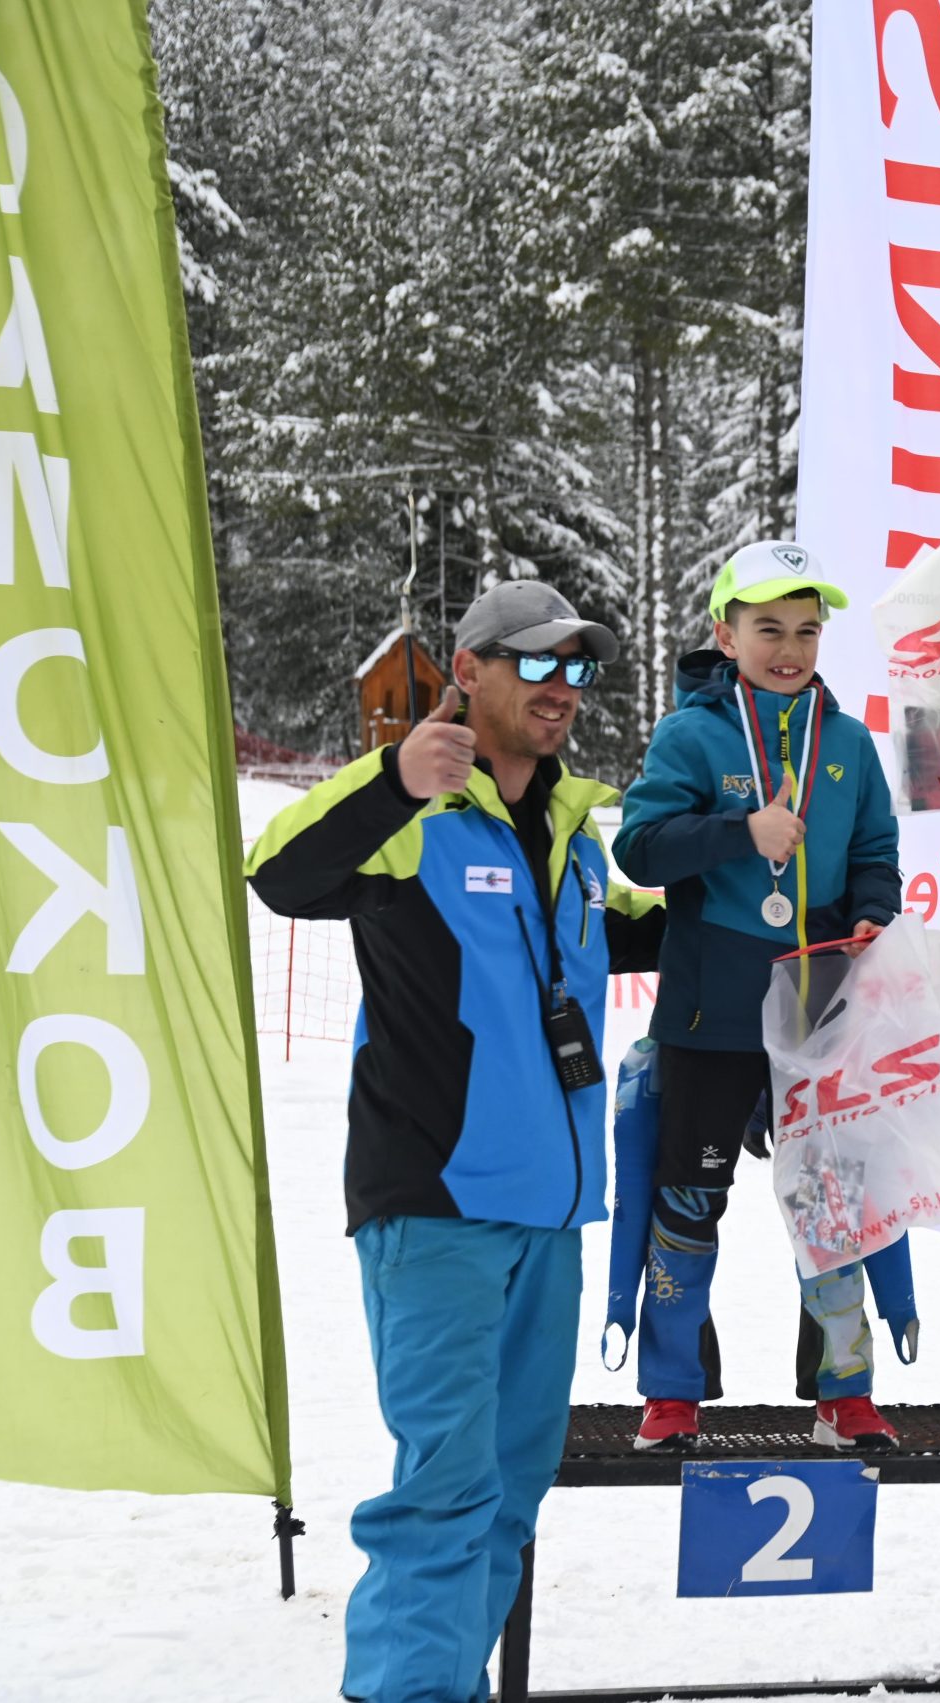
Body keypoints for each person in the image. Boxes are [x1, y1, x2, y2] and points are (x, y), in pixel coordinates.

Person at [246, 582, 666, 1703]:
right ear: (468, 670)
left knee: (511, 1492)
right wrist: (393, 778)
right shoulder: (409, 815)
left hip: (553, 1215)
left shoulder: (576, 838)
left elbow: (646, 933)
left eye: (578, 669)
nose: (562, 688)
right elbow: (280, 873)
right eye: (537, 663)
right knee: (443, 1494)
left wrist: (799, 912)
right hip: (435, 1207)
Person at [611, 542, 903, 1453]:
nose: (789, 649)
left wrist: (872, 911)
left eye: (806, 631)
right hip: (713, 1015)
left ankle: (844, 1392)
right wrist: (742, 831)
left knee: (832, 1207)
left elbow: (875, 853)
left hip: (819, 1015)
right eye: (768, 628)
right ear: (725, 633)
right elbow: (640, 848)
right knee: (687, 1202)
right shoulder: (691, 734)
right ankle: (672, 1392)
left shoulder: (847, 743)